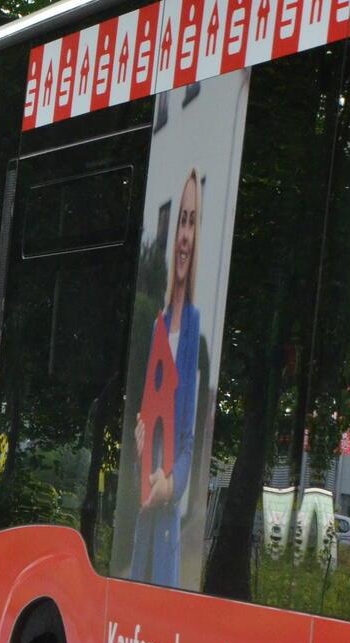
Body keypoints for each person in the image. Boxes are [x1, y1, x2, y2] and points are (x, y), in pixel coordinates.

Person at [130, 171, 203, 588]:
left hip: (166, 520)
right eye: (182, 222)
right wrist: (141, 443)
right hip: (144, 517)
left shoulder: (193, 328)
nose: (186, 234)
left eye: (193, 221)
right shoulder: (156, 324)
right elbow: (147, 414)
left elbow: (190, 438)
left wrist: (170, 483)